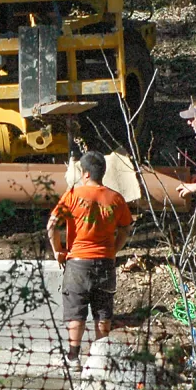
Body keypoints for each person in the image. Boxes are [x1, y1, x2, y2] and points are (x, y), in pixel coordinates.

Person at [47, 150, 132, 365]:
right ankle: (101, 359)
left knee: (76, 309)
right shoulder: (116, 198)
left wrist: (58, 250)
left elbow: (51, 226)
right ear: (101, 173)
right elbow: (125, 229)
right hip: (105, 262)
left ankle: (73, 358)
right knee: (103, 310)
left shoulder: (73, 195)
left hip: (77, 263)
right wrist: (113, 250)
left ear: (85, 174)